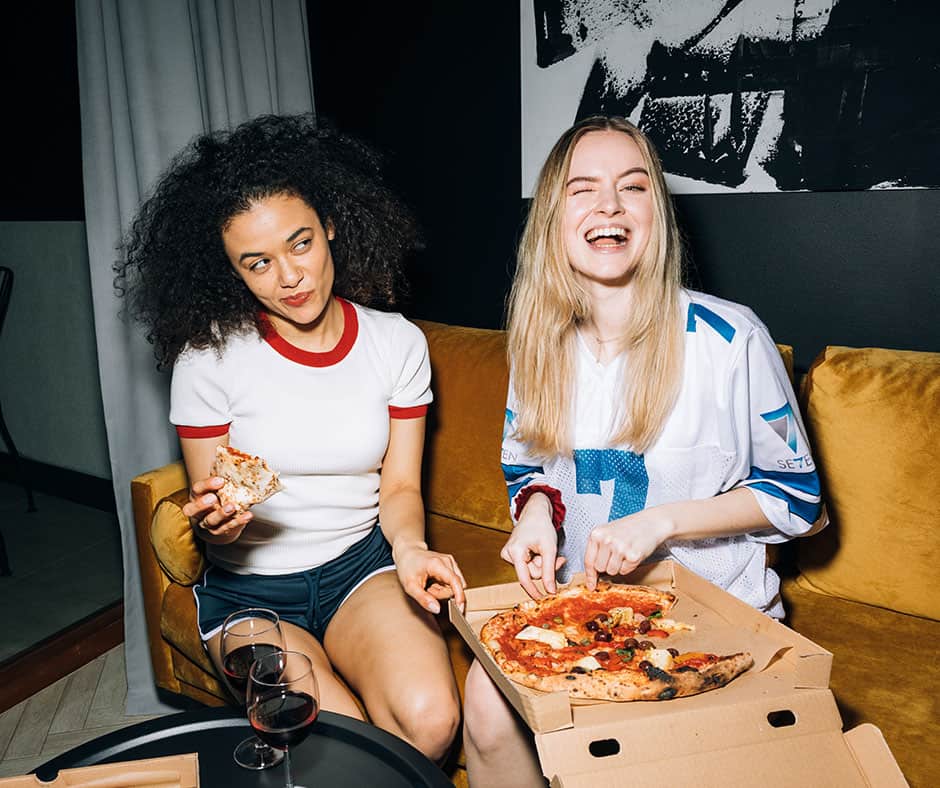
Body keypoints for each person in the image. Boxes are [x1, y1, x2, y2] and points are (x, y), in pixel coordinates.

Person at [462, 115, 827, 786]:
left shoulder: (731, 339)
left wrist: (663, 520)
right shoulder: (538, 341)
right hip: (586, 608)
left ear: (655, 213)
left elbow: (800, 502)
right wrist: (537, 514)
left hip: (709, 620)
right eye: (584, 189)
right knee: (485, 706)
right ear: (553, 217)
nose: (609, 206)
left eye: (633, 187)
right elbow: (526, 466)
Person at [116, 113, 464, 762]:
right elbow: (214, 503)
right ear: (232, 271)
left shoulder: (397, 346)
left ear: (331, 227)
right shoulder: (208, 360)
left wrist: (411, 548)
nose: (290, 277)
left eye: (300, 243)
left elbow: (401, 484)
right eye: (258, 262)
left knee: (433, 720)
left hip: (360, 572)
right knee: (342, 750)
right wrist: (220, 523)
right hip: (249, 594)